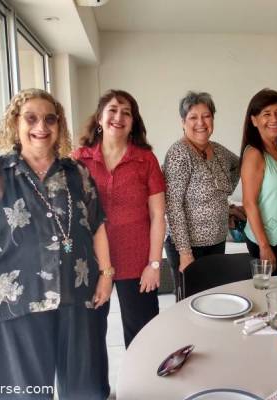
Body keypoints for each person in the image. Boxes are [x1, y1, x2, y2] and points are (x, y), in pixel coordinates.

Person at [0, 89, 113, 399]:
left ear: (59, 126)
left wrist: (106, 275)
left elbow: (97, 227)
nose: (41, 126)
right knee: (24, 393)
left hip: (78, 296)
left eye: (49, 119)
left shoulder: (77, 173)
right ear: (16, 124)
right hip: (17, 304)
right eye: (31, 118)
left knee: (85, 389)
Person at [73, 89, 166, 349]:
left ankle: (143, 388)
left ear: (133, 122)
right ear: (100, 119)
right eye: (112, 110)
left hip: (137, 263)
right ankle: (95, 389)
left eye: (127, 113)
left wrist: (155, 264)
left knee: (143, 337)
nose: (118, 116)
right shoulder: (80, 159)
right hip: (91, 262)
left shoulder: (145, 160)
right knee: (89, 335)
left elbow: (158, 215)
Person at [163, 91, 239, 299]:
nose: (201, 123)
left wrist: (227, 190)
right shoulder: (179, 153)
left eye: (206, 116)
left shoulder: (219, 151)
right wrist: (185, 254)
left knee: (214, 300)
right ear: (183, 122)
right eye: (193, 117)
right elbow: (173, 206)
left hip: (216, 240)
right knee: (188, 305)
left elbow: (240, 164)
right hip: (189, 248)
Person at [239, 89, 277, 275]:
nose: (274, 119)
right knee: (270, 296)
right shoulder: (254, 154)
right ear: (254, 120)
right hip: (266, 242)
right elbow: (249, 203)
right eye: (266, 114)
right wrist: (264, 246)